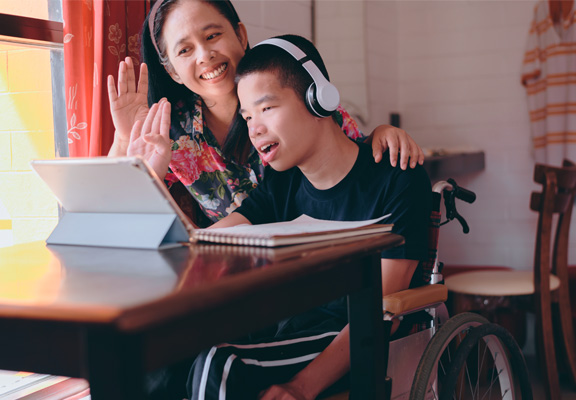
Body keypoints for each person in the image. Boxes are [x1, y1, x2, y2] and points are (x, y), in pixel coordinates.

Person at [139, 34, 431, 400]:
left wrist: (301, 386)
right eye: (247, 116)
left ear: (318, 99)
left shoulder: (396, 176)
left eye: (266, 109)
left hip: (357, 334)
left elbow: (381, 310)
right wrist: (150, 171)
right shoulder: (283, 182)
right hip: (288, 325)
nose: (255, 128)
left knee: (221, 364)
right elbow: (203, 241)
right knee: (159, 354)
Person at [106, 0, 426, 225]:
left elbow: (355, 172)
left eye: (212, 35)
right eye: (185, 50)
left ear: (241, 36)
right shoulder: (170, 131)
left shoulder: (298, 102)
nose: (205, 55)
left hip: (304, 270)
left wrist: (380, 135)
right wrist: (124, 140)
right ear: (173, 71)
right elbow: (113, 212)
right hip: (234, 268)